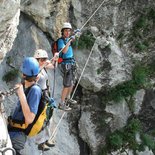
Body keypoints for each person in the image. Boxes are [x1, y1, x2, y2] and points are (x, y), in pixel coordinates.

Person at [8, 57, 42, 155]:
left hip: (17, 136)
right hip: (12, 130)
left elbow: (30, 119)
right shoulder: (27, 86)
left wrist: (21, 95)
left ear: (23, 74)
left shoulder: (35, 90)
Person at [34, 49, 57, 151]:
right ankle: (40, 142)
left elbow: (53, 66)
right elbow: (34, 78)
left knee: (48, 117)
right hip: (39, 96)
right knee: (42, 119)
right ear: (37, 59)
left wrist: (55, 59)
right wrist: (43, 65)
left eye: (45, 59)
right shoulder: (34, 68)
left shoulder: (42, 67)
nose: (44, 61)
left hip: (45, 94)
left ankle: (45, 139)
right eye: (42, 59)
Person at [57, 22, 78, 111]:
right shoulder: (61, 41)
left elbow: (71, 40)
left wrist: (75, 34)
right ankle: (61, 103)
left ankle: (68, 98)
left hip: (71, 63)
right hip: (66, 64)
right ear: (63, 32)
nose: (68, 32)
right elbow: (64, 51)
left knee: (72, 83)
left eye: (69, 31)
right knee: (67, 85)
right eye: (66, 31)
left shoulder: (67, 39)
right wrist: (70, 40)